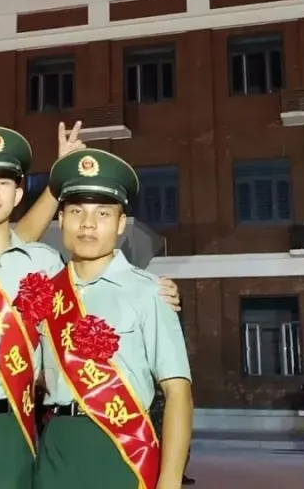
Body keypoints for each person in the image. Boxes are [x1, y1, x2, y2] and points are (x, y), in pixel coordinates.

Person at [0, 129, 183, 489]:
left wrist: (158, 290)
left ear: (18, 194)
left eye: (3, 182)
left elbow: (82, 274)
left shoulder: (45, 266)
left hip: (17, 429)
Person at [34, 148, 193, 489]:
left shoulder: (150, 291)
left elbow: (177, 390)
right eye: (76, 211)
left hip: (122, 448)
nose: (88, 224)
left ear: (121, 224)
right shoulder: (46, 293)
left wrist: (169, 480)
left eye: (103, 213)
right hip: (56, 446)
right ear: (60, 219)